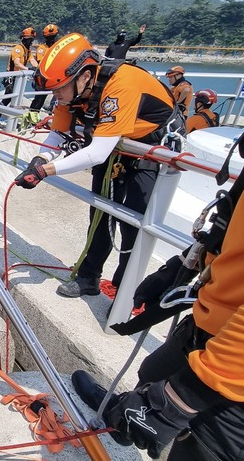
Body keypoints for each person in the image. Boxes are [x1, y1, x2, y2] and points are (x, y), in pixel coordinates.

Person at [72, 164, 244, 460]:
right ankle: (123, 421)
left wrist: (180, 400)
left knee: (200, 450)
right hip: (209, 323)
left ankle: (144, 417)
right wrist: (181, 266)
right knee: (153, 370)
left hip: (234, 369)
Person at [14, 33, 179, 298]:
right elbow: (58, 134)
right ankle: (89, 278)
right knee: (100, 213)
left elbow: (97, 153)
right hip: (115, 144)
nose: (56, 95)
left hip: (151, 150)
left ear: (85, 76)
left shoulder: (121, 84)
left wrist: (45, 171)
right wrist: (40, 160)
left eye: (59, 89)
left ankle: (126, 291)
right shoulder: (69, 92)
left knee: (135, 222)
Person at [3, 26, 39, 107]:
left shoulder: (28, 51)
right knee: (8, 98)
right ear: (24, 39)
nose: (31, 42)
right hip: (11, 77)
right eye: (30, 40)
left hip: (19, 77)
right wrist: (28, 69)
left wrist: (38, 69)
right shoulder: (18, 49)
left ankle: (7, 111)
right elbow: (17, 63)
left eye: (32, 40)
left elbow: (33, 61)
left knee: (14, 96)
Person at [29, 24, 59, 112]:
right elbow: (41, 63)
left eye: (53, 37)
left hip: (55, 77)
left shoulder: (57, 47)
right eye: (49, 37)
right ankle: (32, 115)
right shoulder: (41, 49)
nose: (51, 39)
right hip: (42, 79)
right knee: (39, 100)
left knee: (58, 95)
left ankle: (51, 111)